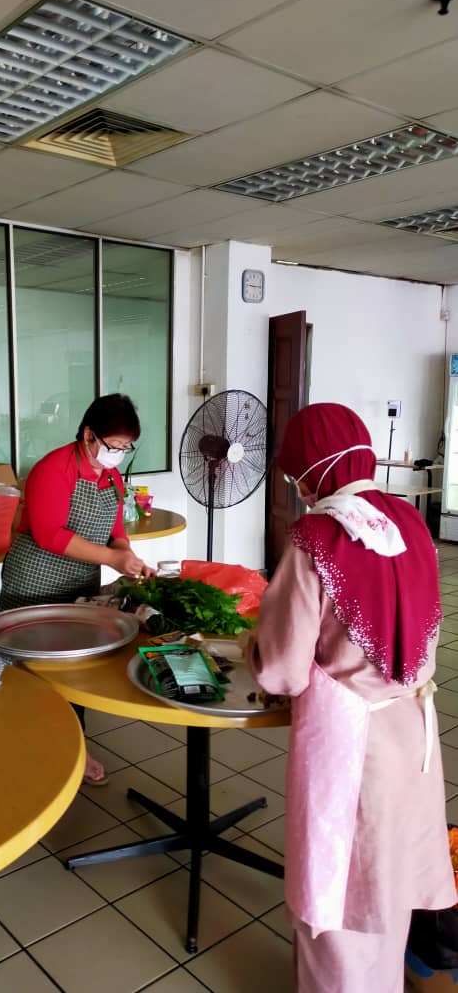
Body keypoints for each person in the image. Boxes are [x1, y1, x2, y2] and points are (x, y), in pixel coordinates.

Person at [245, 403, 454, 992]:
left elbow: (283, 671)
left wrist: (251, 645)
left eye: (297, 474)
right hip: (410, 728)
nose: (299, 486)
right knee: (386, 879)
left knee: (337, 886)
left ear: (313, 469)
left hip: (349, 743)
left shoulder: (316, 539)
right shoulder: (410, 523)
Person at [0, 393, 156, 785]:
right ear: (88, 435)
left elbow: (115, 531)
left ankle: (75, 749)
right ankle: (25, 746)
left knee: (73, 673)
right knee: (31, 674)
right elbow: (50, 535)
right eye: (113, 445)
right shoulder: (53, 469)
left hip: (80, 582)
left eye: (125, 448)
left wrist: (127, 555)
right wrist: (112, 559)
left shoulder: (111, 477)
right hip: (35, 582)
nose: (118, 455)